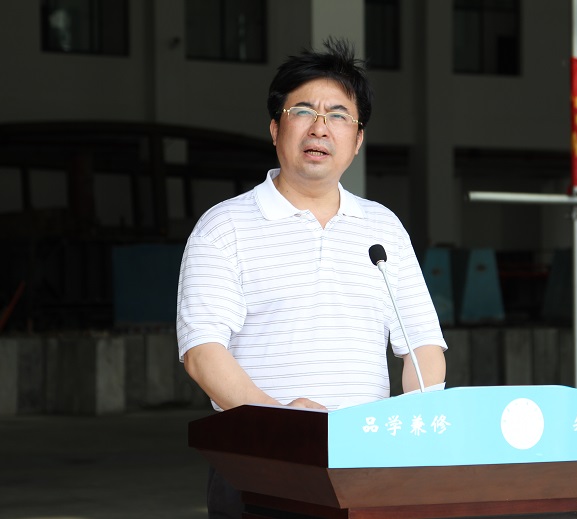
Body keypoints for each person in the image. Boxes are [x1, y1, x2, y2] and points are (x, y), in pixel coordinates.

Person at [175, 38, 447, 518]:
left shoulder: (383, 228)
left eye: (338, 115)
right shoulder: (224, 227)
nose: (320, 127)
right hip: (259, 463)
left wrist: (417, 422)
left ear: (357, 140)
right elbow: (202, 353)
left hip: (366, 463)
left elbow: (422, 344)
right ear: (275, 128)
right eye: (303, 111)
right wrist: (283, 425)